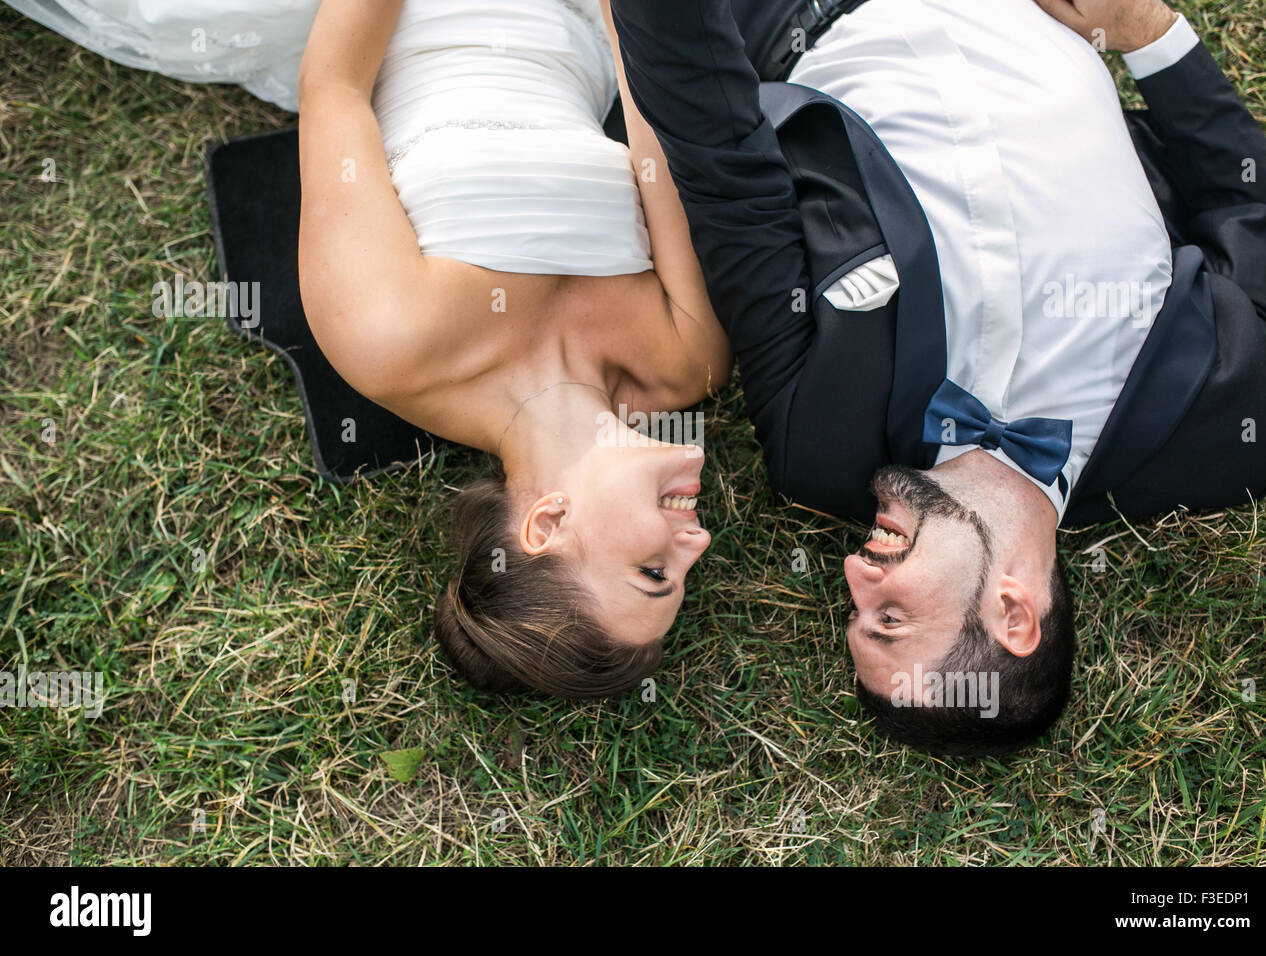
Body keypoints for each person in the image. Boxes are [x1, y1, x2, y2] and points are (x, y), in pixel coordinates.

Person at [610, 0, 1266, 751]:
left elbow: (726, 172)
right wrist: (1147, 32)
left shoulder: (820, 448)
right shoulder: (1226, 436)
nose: (851, 574)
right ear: (1014, 613)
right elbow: (1260, 218)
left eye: (853, 613)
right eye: (891, 618)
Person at [9, 0, 732, 697]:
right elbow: (650, 127)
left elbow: (337, 90)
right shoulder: (686, 358)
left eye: (654, 571)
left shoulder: (390, 340)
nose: (694, 545)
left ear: (548, 523)